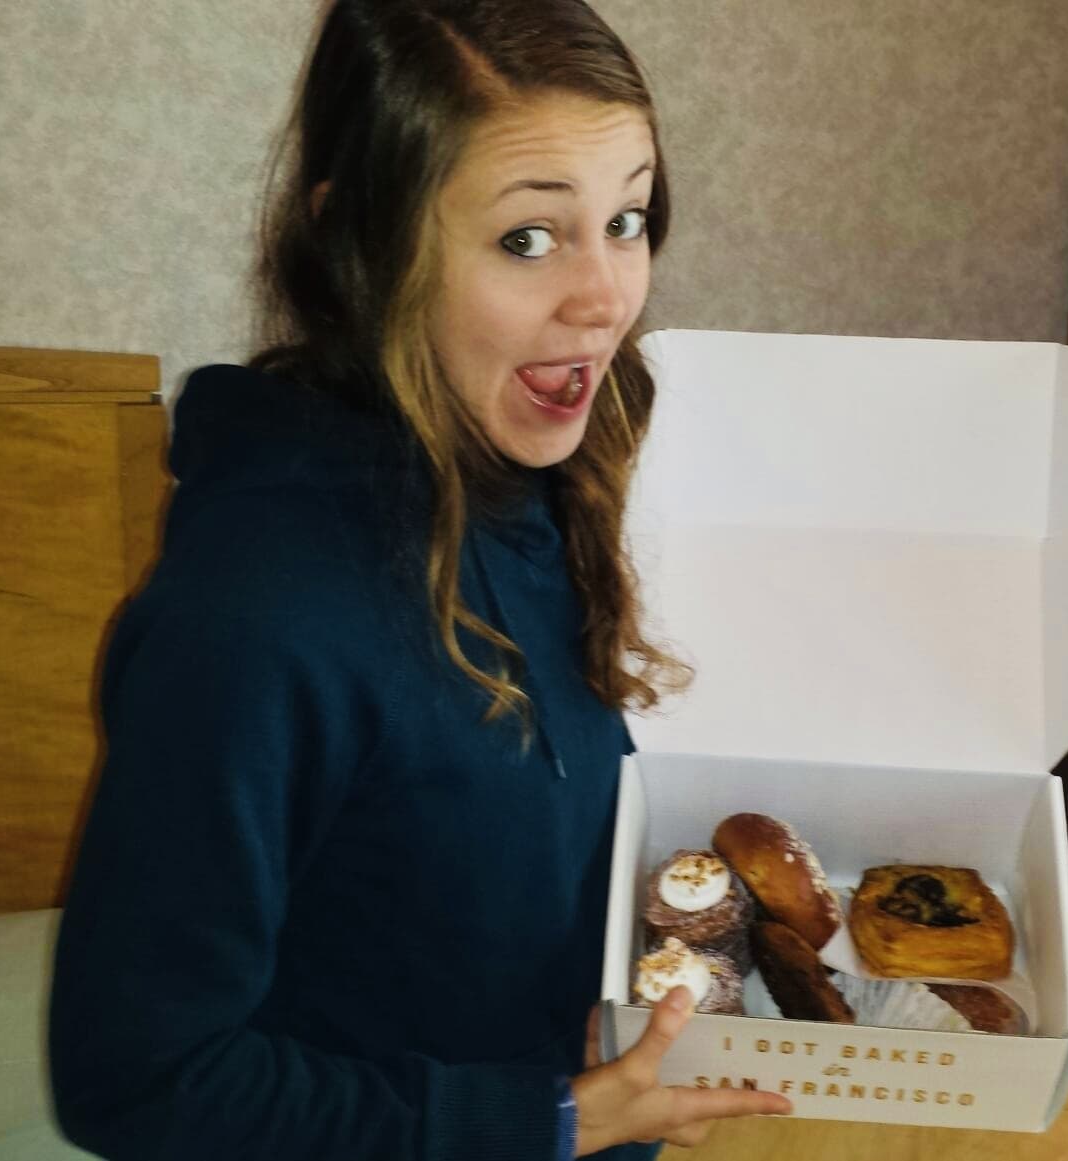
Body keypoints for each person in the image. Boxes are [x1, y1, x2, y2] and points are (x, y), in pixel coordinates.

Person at [44, 2, 792, 1157]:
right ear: (362, 245)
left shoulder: (535, 460)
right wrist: (545, 1118)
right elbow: (136, 1081)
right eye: (528, 239)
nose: (605, 297)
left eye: (628, 219)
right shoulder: (253, 621)